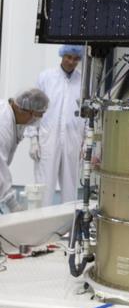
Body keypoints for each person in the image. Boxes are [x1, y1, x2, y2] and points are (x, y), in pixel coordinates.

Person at [31, 45, 86, 205]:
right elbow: (34, 108)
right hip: (48, 139)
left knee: (71, 188)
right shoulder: (46, 77)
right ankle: (40, 225)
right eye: (68, 57)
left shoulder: (82, 81)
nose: (71, 61)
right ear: (62, 55)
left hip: (73, 141)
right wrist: (33, 138)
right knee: (44, 186)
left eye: (75, 59)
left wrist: (85, 144)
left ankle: (68, 226)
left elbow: (86, 114)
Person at [0, 89, 49, 212]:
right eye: (37, 116)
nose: (35, 121)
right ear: (26, 111)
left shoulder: (11, 115)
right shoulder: (3, 126)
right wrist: (12, 204)